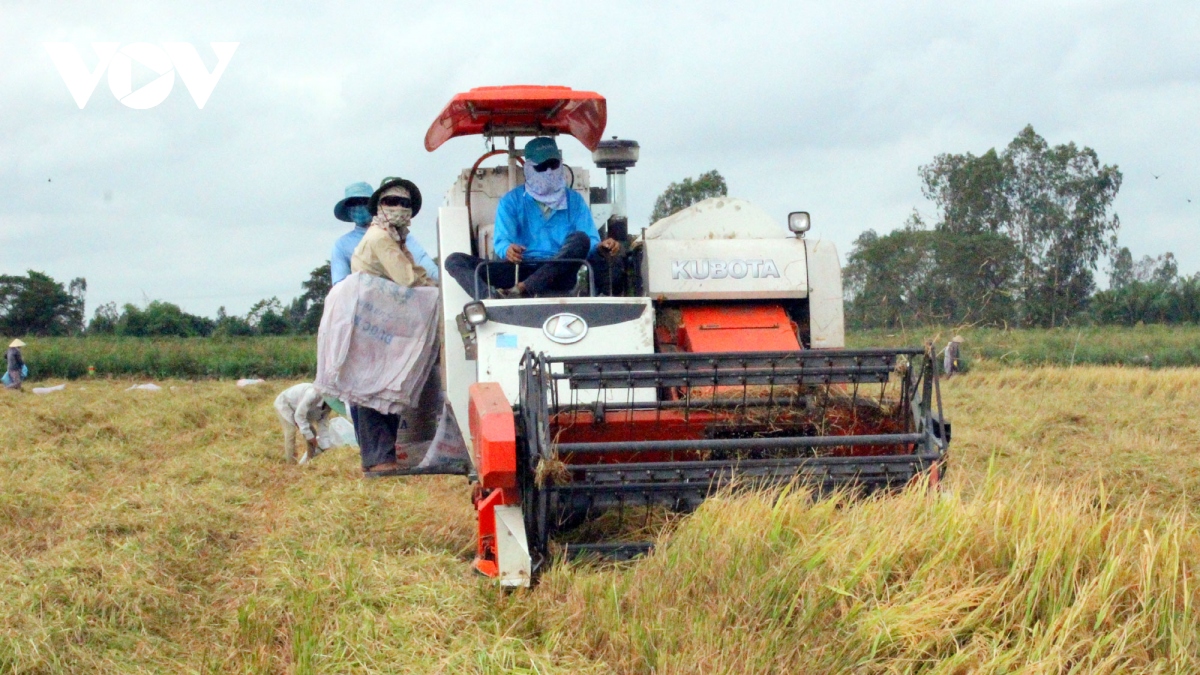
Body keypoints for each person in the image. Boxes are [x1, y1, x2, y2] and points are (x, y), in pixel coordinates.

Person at [444, 136, 620, 299]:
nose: (549, 171)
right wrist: (508, 249)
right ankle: (490, 299)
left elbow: (589, 242)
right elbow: (502, 241)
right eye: (542, 167)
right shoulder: (511, 201)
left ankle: (523, 289)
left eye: (554, 164)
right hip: (519, 269)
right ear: (528, 169)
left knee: (580, 239)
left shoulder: (575, 200)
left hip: (560, 273)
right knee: (454, 261)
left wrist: (602, 246)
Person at [349, 177, 438, 475]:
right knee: (371, 390)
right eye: (391, 202)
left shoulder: (396, 239)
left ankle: (383, 457)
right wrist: (438, 289)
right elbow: (408, 279)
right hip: (371, 323)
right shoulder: (379, 238)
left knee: (386, 388)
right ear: (379, 207)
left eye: (405, 203)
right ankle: (378, 460)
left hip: (385, 322)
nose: (399, 207)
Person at [330, 181, 439, 285]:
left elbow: (421, 261)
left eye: (364, 201)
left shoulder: (398, 235)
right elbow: (341, 285)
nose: (359, 206)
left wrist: (441, 282)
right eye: (353, 203)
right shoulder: (345, 244)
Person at [274, 382, 332, 464]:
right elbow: (299, 416)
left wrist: (326, 446)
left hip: (301, 411)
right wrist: (309, 436)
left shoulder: (328, 406)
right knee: (291, 432)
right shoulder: (312, 395)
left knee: (312, 433)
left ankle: (309, 461)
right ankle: (291, 464)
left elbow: (323, 423)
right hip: (286, 405)